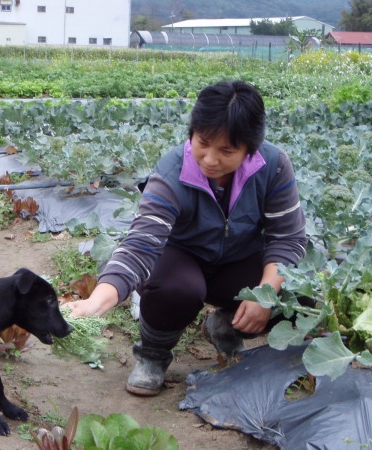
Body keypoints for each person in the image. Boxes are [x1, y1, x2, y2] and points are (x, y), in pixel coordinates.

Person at [66, 80, 307, 396]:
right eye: (203, 142)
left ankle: (226, 324)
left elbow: (287, 238)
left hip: (239, 261)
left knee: (301, 295)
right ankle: (153, 355)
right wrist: (99, 300)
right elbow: (141, 243)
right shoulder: (172, 170)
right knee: (176, 289)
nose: (209, 159)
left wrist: (265, 293)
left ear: (250, 149)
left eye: (226, 150)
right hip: (181, 259)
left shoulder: (273, 167)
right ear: (191, 133)